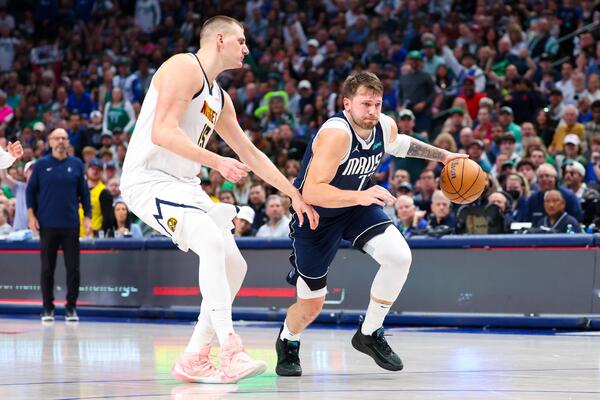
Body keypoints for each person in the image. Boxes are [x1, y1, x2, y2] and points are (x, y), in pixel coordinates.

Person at [119, 16, 318, 384]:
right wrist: (217, 161)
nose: (247, 49)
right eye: (241, 41)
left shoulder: (220, 98)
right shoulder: (183, 66)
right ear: (220, 39)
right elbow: (162, 132)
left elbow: (250, 153)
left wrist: (294, 194)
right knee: (210, 242)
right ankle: (230, 348)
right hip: (148, 180)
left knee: (234, 266)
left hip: (184, 184)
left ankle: (195, 355)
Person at [275, 71, 466, 377]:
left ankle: (369, 332)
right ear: (347, 104)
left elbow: (399, 143)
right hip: (316, 216)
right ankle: (288, 339)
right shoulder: (337, 134)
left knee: (399, 256)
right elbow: (311, 191)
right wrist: (361, 195)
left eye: (377, 104)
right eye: (366, 104)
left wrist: (443, 156)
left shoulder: (383, 125)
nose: (373, 112)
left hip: (355, 207)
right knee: (311, 305)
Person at [26, 128, 92, 323]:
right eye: (57, 138)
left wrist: (88, 217)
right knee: (47, 269)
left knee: (73, 269)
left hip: (71, 224)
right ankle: (48, 308)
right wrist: (31, 216)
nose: (61, 141)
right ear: (50, 141)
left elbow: (84, 194)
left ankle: (71, 308)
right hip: (47, 224)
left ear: (68, 141)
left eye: (64, 138)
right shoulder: (41, 165)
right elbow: (30, 192)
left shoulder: (77, 164)